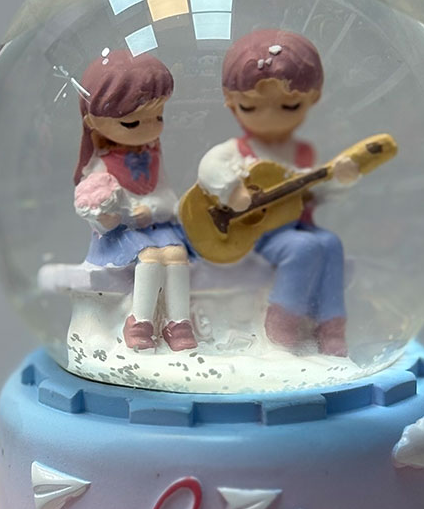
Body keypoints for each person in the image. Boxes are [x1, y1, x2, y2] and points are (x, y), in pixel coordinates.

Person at [196, 30, 358, 356]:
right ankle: (283, 324)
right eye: (251, 107)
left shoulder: (303, 153)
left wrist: (338, 178)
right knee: (303, 248)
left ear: (313, 98)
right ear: (230, 100)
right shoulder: (236, 151)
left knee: (330, 243)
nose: (270, 117)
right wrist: (231, 191)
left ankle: (331, 325)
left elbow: (316, 191)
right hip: (255, 234)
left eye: (289, 106)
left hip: (296, 225)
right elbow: (208, 169)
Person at [73, 48, 196, 351]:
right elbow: (95, 208)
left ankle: (177, 321)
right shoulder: (100, 166)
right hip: (119, 234)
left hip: (155, 224)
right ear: (93, 121)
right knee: (150, 257)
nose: (150, 128)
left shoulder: (152, 156)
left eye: (158, 117)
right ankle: (140, 321)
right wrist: (108, 216)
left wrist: (153, 209)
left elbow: (167, 196)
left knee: (176, 254)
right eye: (132, 123)